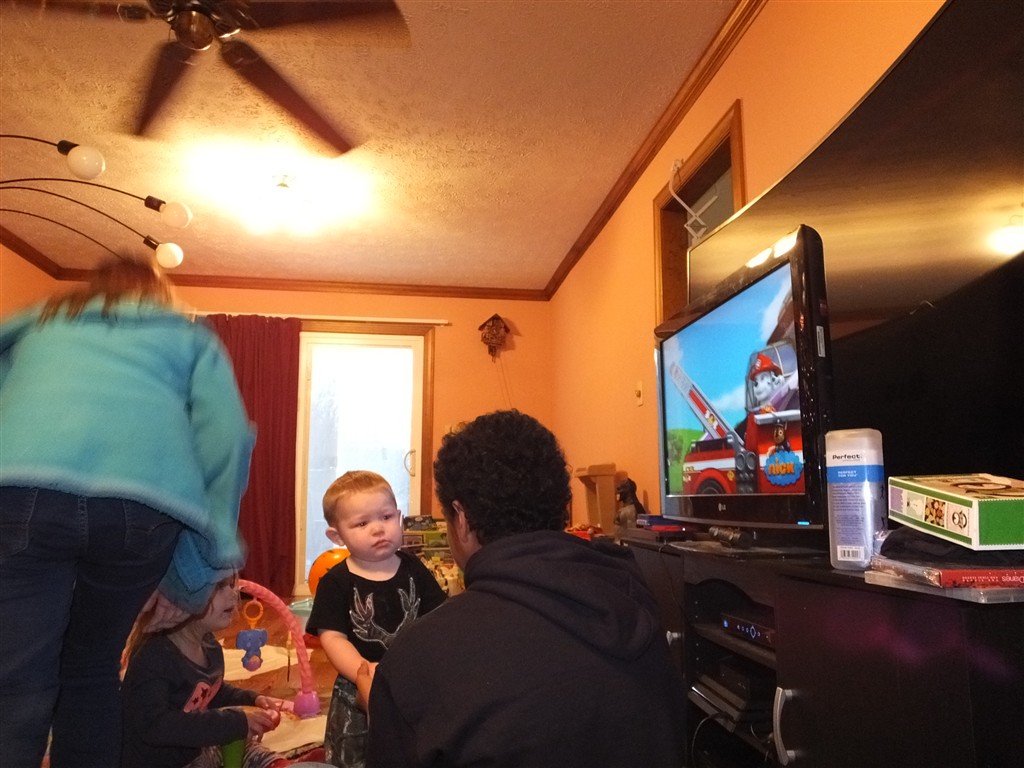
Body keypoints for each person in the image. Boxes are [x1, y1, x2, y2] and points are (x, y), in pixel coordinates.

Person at [0, 254, 255, 767]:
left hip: (23, 491)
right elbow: (226, 439)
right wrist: (206, 562)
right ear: (158, 298)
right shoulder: (187, 337)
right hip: (140, 511)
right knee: (91, 666)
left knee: (17, 676)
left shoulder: (37, 324)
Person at [364, 410, 688, 768]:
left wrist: (384, 709)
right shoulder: (638, 603)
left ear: (461, 518)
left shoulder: (415, 662)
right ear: (560, 507)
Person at [305, 471, 447, 768]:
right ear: (336, 536)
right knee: (355, 752)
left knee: (413, 745)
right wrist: (363, 671)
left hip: (413, 679)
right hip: (357, 686)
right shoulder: (335, 582)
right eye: (362, 523)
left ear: (400, 517)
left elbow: (438, 618)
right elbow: (333, 638)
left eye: (386, 517)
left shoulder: (414, 568)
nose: (378, 529)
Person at [121, 574, 299, 768]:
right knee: (232, 728)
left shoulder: (210, 645)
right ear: (180, 599)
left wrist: (252, 699)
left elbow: (211, 691)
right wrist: (233, 723)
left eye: (231, 584)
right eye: (219, 586)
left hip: (197, 752)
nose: (233, 593)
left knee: (244, 742)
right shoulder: (153, 656)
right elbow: (155, 725)